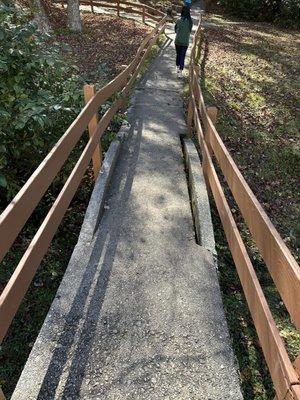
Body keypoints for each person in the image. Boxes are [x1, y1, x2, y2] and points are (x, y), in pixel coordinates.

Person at [175, 6, 193, 76]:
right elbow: (190, 31)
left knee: (178, 55)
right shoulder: (190, 22)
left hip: (177, 40)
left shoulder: (178, 19)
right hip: (185, 42)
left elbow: (175, 30)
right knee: (182, 56)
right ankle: (180, 72)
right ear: (188, 12)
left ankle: (177, 67)